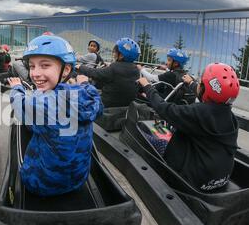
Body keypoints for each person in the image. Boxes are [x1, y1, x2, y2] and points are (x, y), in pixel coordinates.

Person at [8, 35, 103, 197]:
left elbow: (19, 106)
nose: (35, 74)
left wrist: (17, 88)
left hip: (41, 183)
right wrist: (84, 84)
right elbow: (96, 103)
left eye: (45, 66)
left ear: (66, 69)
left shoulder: (41, 103)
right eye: (31, 66)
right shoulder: (89, 95)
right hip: (78, 180)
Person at [137, 63, 240, 191]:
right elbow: (204, 92)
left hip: (195, 178)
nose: (198, 84)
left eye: (200, 82)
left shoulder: (199, 112)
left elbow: (164, 109)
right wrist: (191, 83)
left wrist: (147, 87)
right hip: (220, 176)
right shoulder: (230, 116)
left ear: (206, 89)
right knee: (162, 126)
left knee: (142, 132)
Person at [78, 37, 140, 108]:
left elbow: (94, 73)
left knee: (79, 87)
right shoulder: (135, 69)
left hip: (105, 105)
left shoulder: (114, 68)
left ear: (121, 55)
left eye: (115, 51)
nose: (113, 53)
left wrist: (80, 67)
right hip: (123, 105)